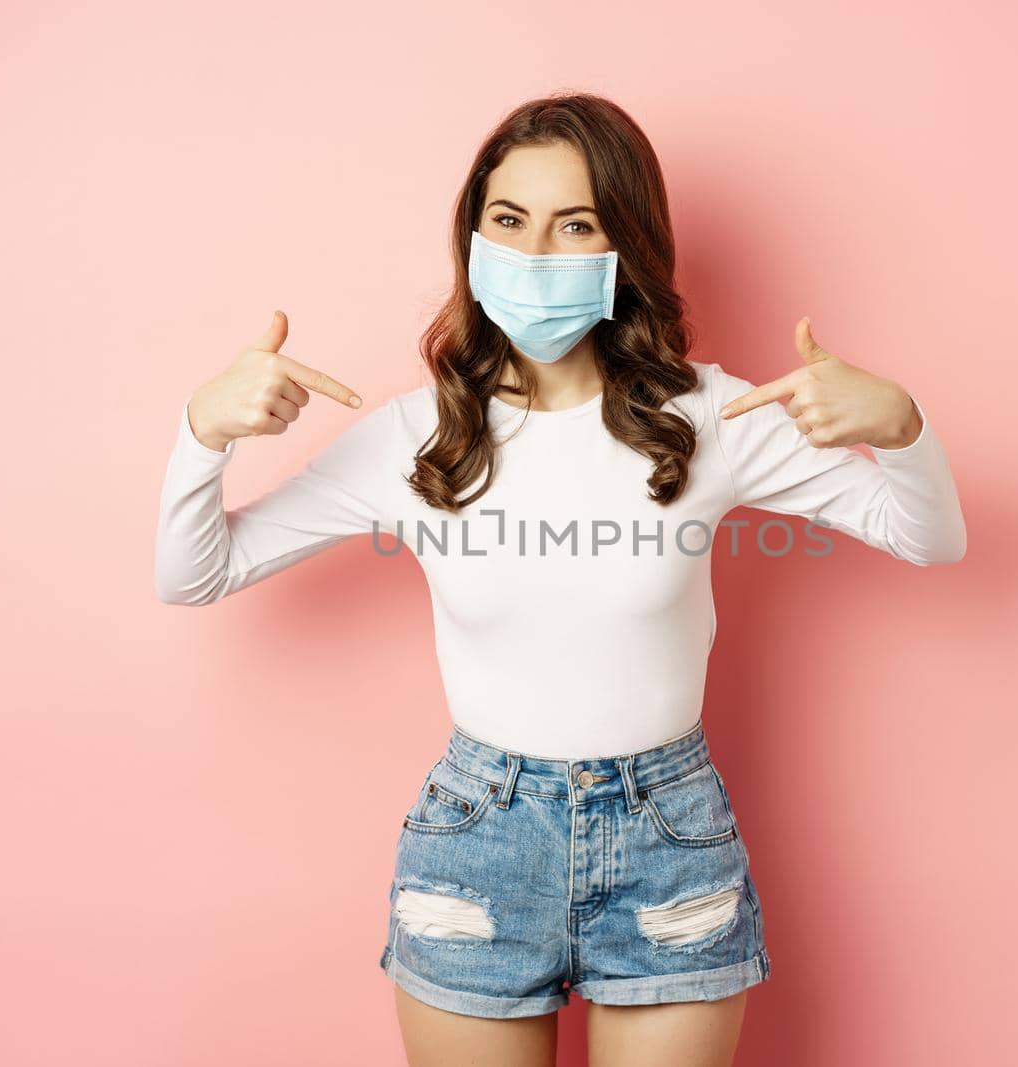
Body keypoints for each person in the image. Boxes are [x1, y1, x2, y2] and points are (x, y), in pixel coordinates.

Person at [153, 91, 966, 1067]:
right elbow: (195, 572)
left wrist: (902, 429)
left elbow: (927, 537)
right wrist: (204, 435)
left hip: (669, 838)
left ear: (624, 245)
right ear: (473, 238)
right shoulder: (418, 437)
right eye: (509, 221)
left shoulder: (714, 417)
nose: (535, 254)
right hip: (477, 838)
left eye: (573, 224)